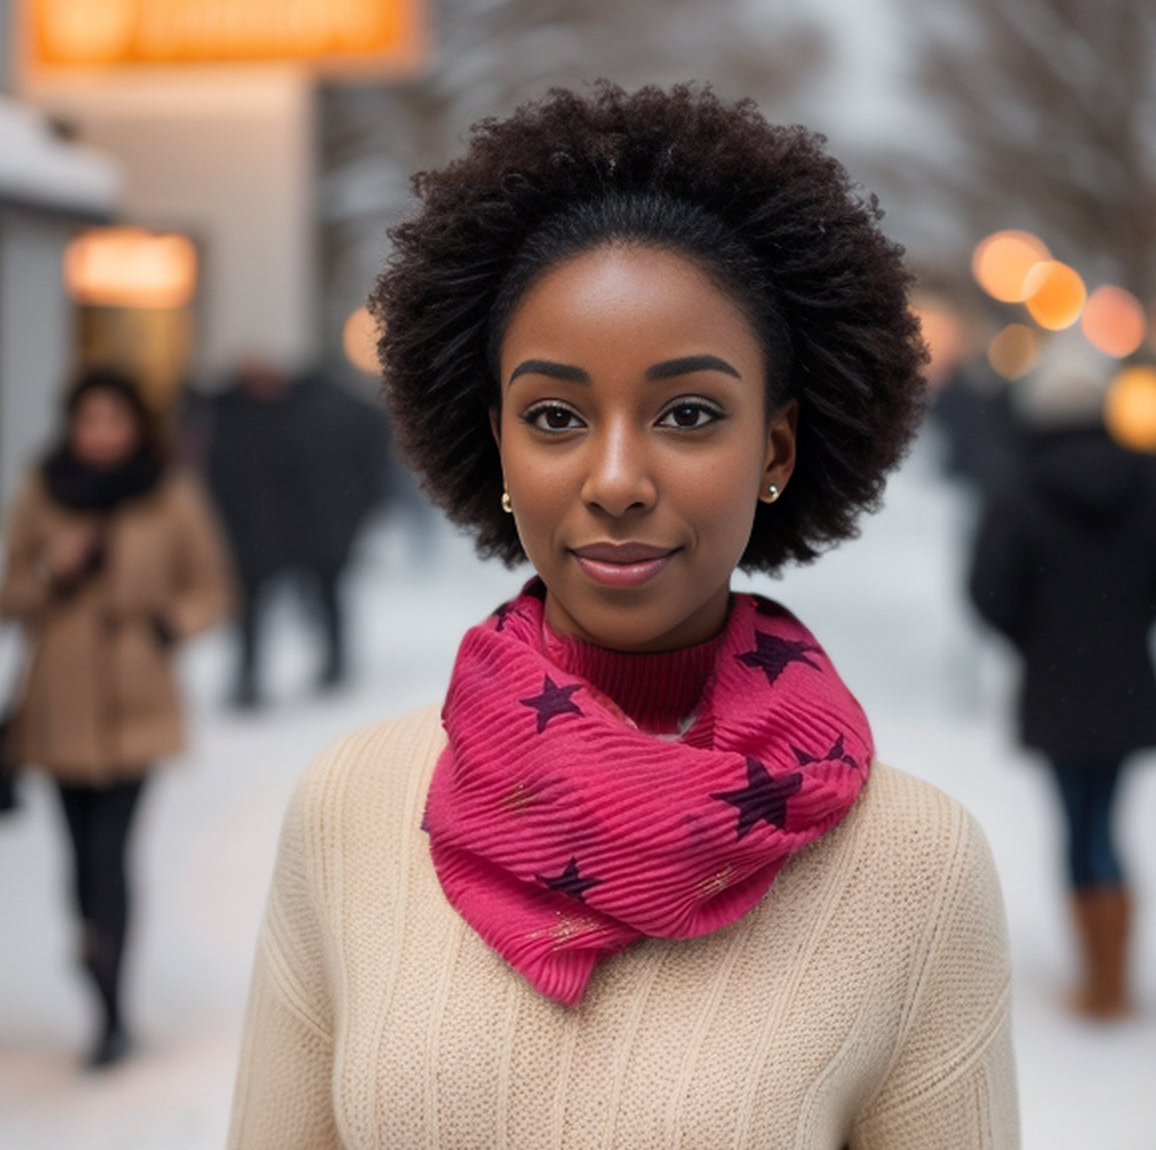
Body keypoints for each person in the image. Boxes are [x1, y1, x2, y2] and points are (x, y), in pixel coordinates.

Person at [230, 84, 1019, 1147]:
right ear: (499, 444)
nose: (613, 479)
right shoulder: (349, 810)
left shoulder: (912, 868)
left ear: (775, 450)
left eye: (687, 414)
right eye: (553, 416)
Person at [0, 366, 233, 1067]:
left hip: (137, 695)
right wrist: (52, 575)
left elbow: (212, 584)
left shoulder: (169, 491)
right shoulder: (45, 487)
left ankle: (110, 1003)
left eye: (113, 421)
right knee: (78, 857)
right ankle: (93, 946)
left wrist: (167, 626)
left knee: (112, 854)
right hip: (59, 695)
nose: (100, 434)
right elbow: (10, 589)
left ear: (135, 426)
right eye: (88, 421)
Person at [969, 342, 1156, 1021]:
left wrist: (1036, 638)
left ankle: (1100, 979)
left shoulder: (1021, 487)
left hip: (1055, 683)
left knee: (1078, 823)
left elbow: (988, 591)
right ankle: (1112, 973)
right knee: (1105, 818)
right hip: (1129, 680)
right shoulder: (1146, 479)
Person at [204, 358, 389, 706]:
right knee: (260, 604)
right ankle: (259, 674)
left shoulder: (310, 409)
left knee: (317, 595)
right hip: (263, 525)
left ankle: (327, 663)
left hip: (302, 523)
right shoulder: (233, 413)